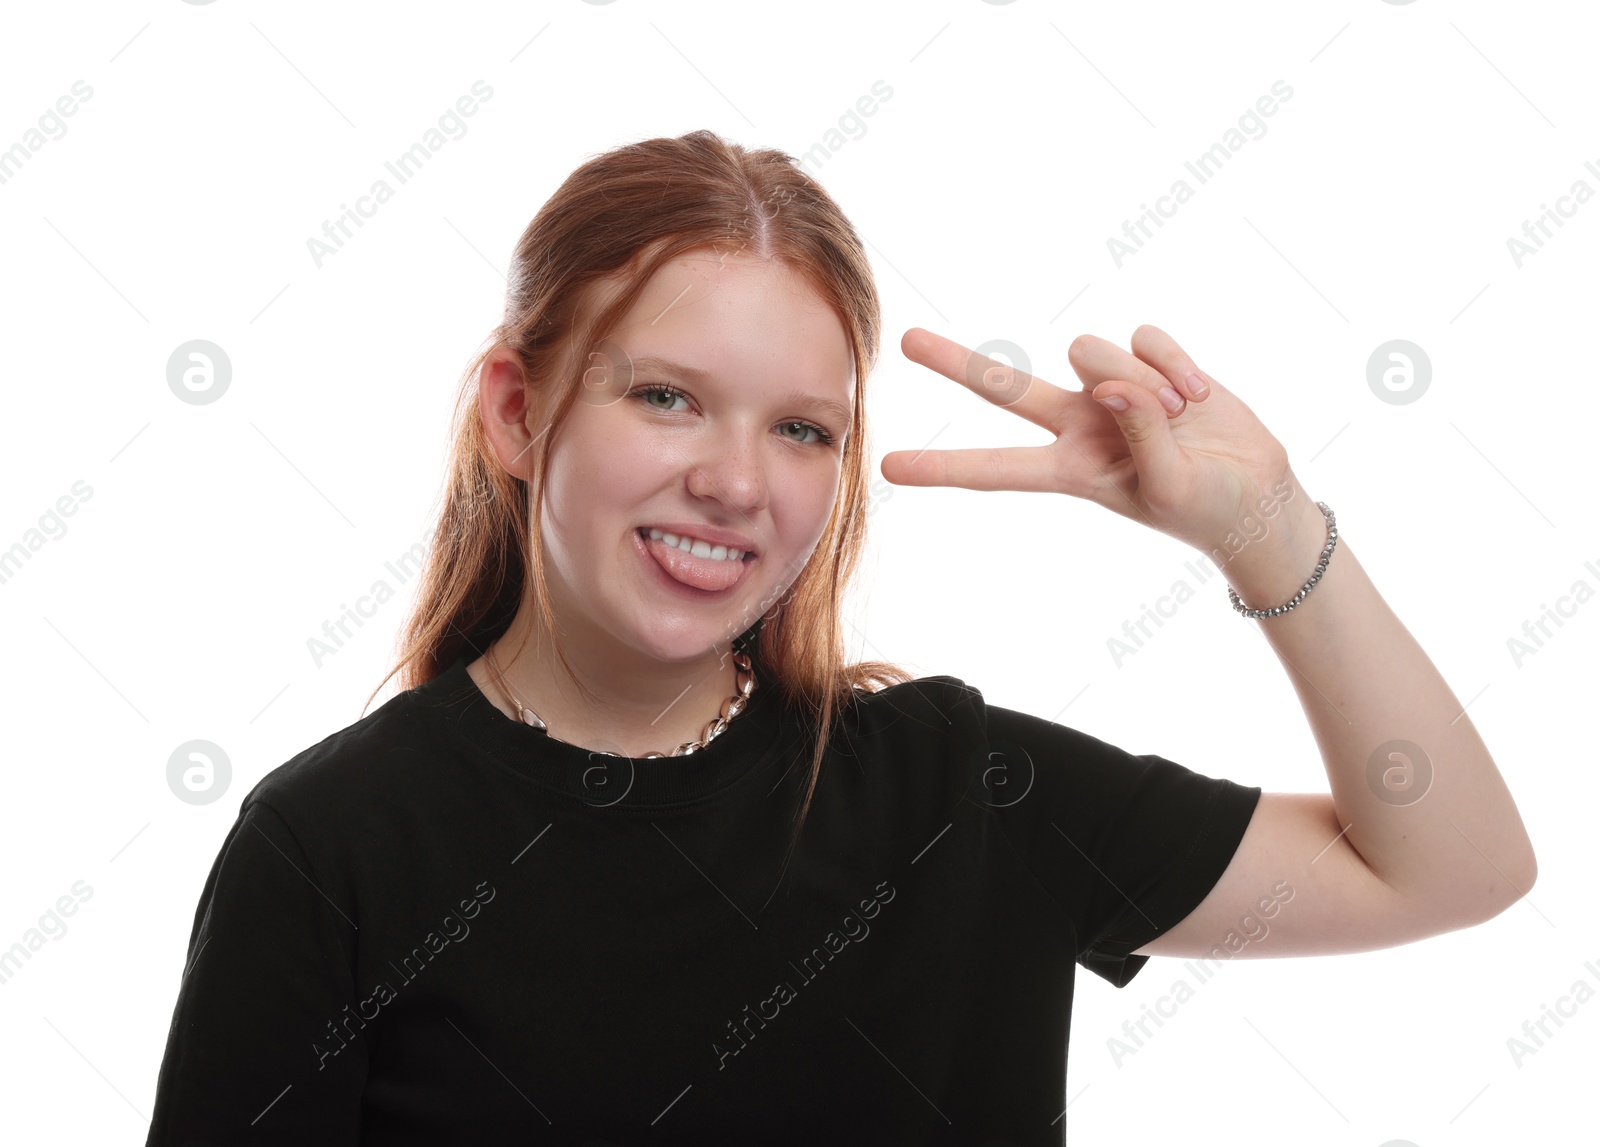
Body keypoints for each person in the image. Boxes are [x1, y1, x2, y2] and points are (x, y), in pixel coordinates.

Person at [143, 130, 1536, 1145]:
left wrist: (1272, 532)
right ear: (516, 414)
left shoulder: (960, 796)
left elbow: (1452, 870)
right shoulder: (331, 852)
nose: (739, 483)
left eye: (801, 428)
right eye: (669, 398)